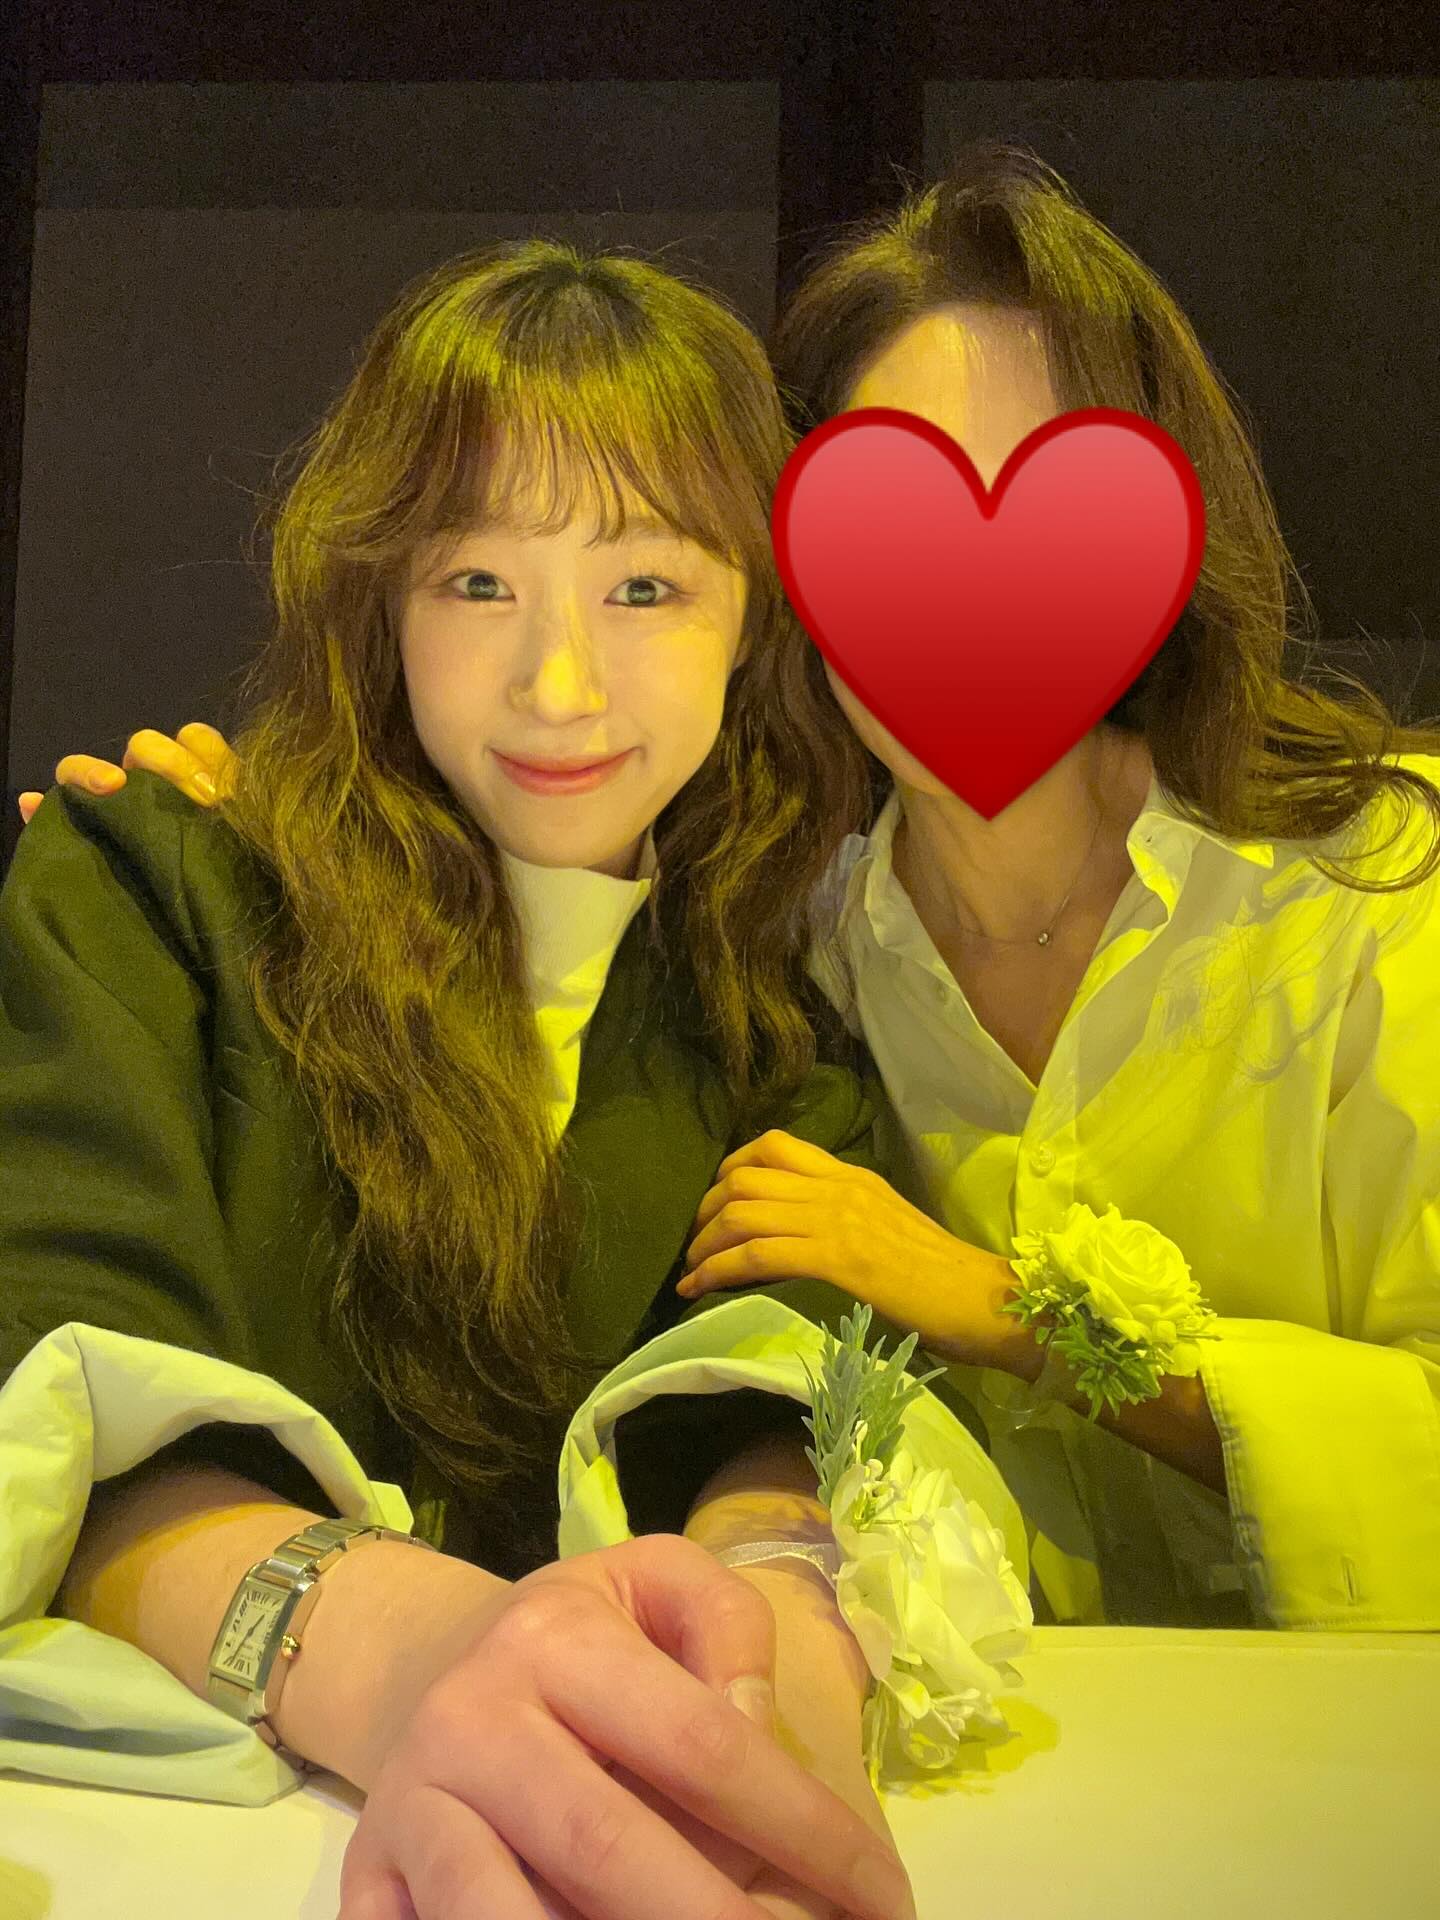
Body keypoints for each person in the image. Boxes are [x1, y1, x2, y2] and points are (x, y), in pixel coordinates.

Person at [57, 145, 1440, 1635]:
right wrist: (224, 840)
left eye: (1052, 505)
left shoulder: (1373, 890)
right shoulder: (794, 942)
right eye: (893, 521)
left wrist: (998, 1310)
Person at [0, 237, 1043, 1920]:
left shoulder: (760, 1023)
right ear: (381, 600)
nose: (558, 685)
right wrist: (421, 1653)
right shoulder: (154, 892)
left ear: (752, 620)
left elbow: (781, 1391)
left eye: (646, 589)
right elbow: (60, 1378)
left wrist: (771, 1643)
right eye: (477, 582)